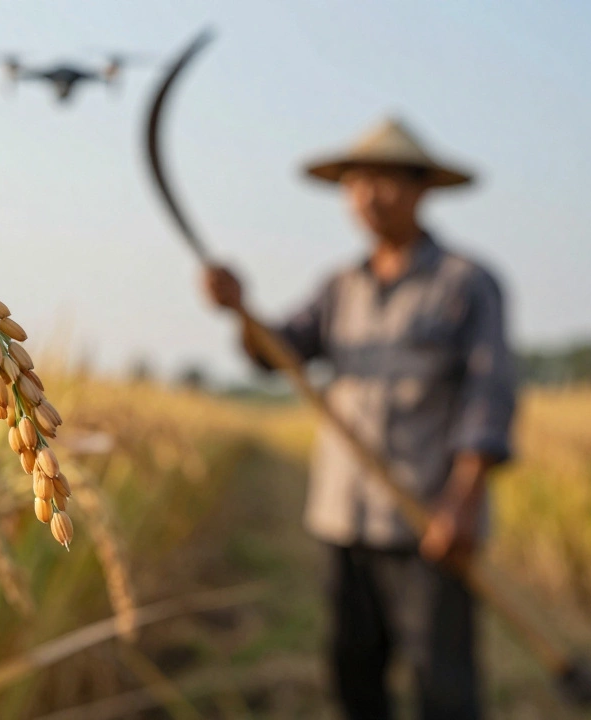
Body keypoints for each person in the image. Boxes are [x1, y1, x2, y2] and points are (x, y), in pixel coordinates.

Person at [201, 117, 518, 720]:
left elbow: (489, 393)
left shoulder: (465, 285)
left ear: (423, 190)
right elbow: (280, 354)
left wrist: (463, 499)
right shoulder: (339, 288)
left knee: (442, 686)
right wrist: (241, 311)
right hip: (345, 520)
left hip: (427, 521)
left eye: (389, 181)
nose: (372, 195)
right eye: (359, 182)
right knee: (353, 673)